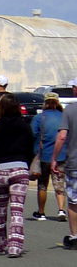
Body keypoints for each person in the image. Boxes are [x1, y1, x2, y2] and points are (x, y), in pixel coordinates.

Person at [0, 93, 35, 257]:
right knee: (17, 211)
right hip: (19, 169)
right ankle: (15, 246)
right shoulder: (25, 125)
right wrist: (27, 165)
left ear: (1, 108)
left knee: (0, 210)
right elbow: (30, 149)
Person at [31, 92, 69, 221]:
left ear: (45, 103)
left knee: (42, 185)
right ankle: (61, 210)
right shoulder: (64, 117)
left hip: (44, 155)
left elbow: (33, 134)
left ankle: (41, 212)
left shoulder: (39, 118)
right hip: (62, 155)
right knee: (60, 184)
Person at [51, 79, 77, 250]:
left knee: (74, 201)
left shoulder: (70, 110)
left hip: (74, 163)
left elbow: (61, 136)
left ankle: (75, 235)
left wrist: (54, 157)